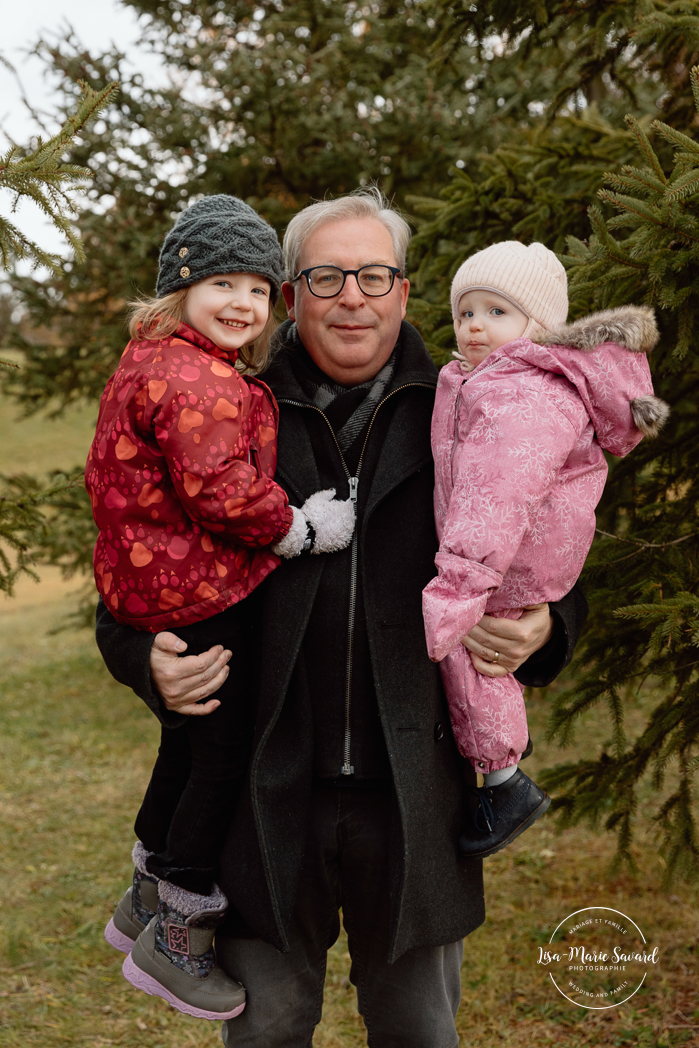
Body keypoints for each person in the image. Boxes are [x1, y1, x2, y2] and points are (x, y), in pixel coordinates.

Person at [95, 189, 589, 1048]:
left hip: (417, 800)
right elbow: (131, 560)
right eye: (325, 277)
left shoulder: (478, 408)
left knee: (418, 1032)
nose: (350, 296)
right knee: (268, 1031)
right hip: (260, 798)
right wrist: (145, 661)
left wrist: (548, 627)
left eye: (372, 275)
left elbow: (558, 543)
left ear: (403, 291)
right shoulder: (226, 406)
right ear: (291, 296)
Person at [86, 194, 355, 1021]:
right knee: (221, 754)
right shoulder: (195, 378)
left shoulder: (156, 360)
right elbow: (218, 488)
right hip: (193, 589)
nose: (241, 302)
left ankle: (143, 893)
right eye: (221, 284)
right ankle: (178, 930)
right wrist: (299, 529)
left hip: (153, 585)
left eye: (255, 286)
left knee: (187, 741)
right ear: (181, 286)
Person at [422, 240, 668, 861]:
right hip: (510, 549)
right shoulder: (489, 382)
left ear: (538, 326)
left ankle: (504, 782)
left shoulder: (522, 394)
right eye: (465, 312)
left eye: (495, 312)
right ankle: (503, 764)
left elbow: (495, 496)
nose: (474, 325)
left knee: (469, 654)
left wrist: (458, 587)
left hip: (510, 555)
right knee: (483, 660)